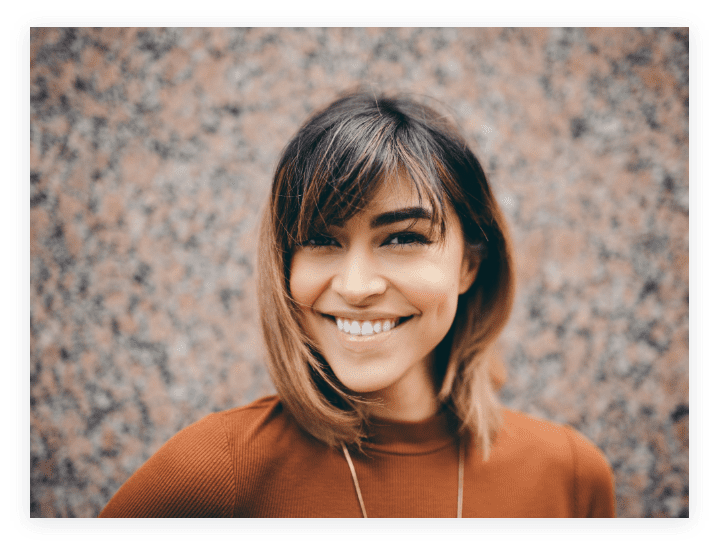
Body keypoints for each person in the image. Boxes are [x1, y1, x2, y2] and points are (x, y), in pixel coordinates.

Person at [99, 90, 615, 518]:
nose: (356, 285)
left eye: (403, 238)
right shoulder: (215, 470)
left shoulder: (570, 475)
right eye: (322, 239)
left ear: (468, 265)